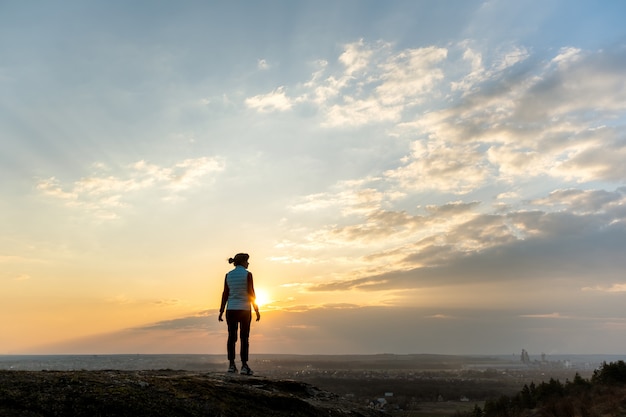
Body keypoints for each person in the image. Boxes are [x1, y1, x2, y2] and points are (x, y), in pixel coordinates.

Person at [218, 253, 260, 375]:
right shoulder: (248, 275)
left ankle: (231, 365)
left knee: (231, 338)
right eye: (247, 261)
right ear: (242, 262)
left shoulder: (228, 275)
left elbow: (225, 294)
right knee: (244, 338)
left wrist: (221, 311)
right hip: (244, 310)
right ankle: (244, 366)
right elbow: (251, 293)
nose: (248, 263)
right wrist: (256, 310)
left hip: (230, 310)